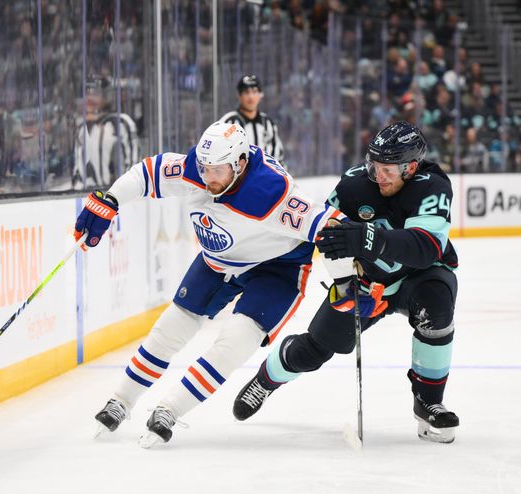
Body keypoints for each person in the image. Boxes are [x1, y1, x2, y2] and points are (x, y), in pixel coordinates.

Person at [75, 121, 351, 447]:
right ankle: (121, 401)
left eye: (216, 170)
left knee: (235, 341)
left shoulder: (269, 192)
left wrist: (347, 281)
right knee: (170, 328)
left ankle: (170, 409)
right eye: (204, 168)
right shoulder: (196, 167)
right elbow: (145, 174)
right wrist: (111, 200)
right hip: (218, 261)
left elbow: (331, 228)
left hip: (278, 268)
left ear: (240, 163)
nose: (208, 178)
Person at [232, 122, 462, 444]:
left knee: (437, 308)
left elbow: (426, 248)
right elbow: (326, 238)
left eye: (387, 169)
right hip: (365, 282)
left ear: (410, 167)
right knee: (313, 350)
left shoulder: (432, 185)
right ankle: (267, 379)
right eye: (373, 165)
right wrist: (345, 283)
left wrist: (370, 240)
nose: (377, 175)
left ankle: (428, 402)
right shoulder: (355, 185)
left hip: (417, 277)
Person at [72, 77, 139, 190]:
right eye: (86, 93)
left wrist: (124, 191)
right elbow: (78, 171)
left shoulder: (122, 123)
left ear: (107, 96)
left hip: (120, 197)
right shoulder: (82, 129)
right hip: (93, 198)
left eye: (95, 93)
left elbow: (133, 164)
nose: (89, 97)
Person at [219, 75, 284, 164]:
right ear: (239, 95)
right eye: (246, 92)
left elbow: (278, 156)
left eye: (254, 91)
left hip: (263, 176)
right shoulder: (228, 122)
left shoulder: (268, 123)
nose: (251, 96)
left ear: (261, 95)